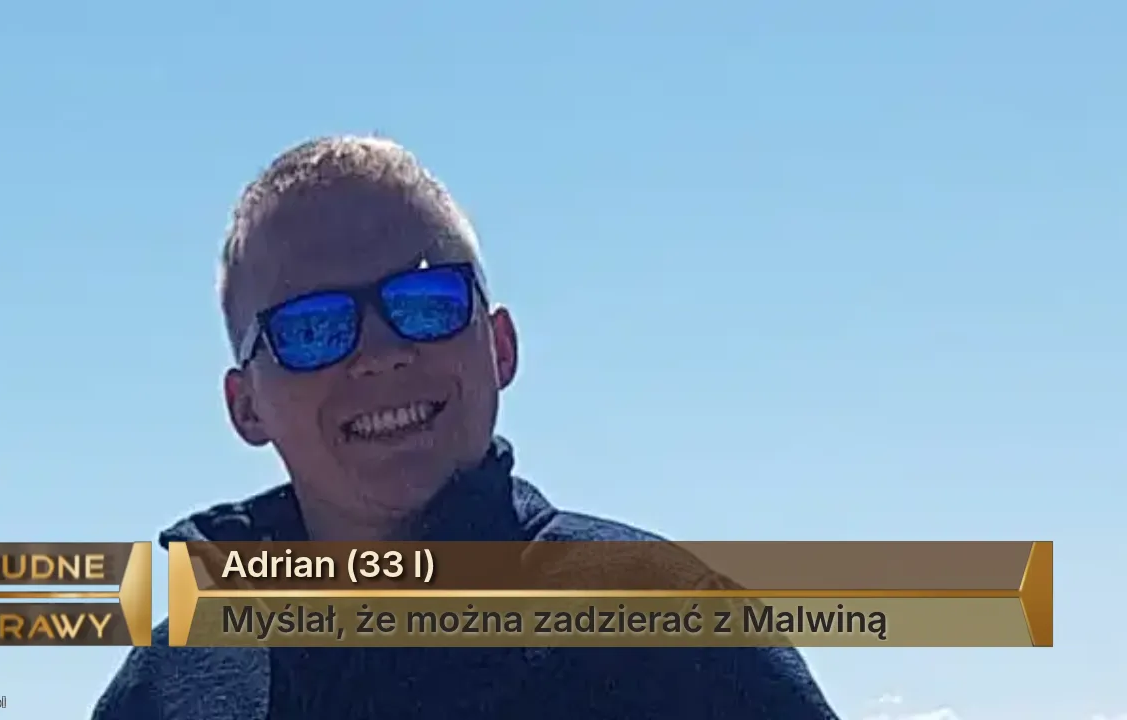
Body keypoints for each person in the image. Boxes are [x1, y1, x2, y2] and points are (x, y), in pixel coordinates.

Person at [91, 136, 839, 719]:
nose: (381, 352)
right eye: (312, 329)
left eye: (426, 302)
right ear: (245, 406)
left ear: (500, 346)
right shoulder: (172, 684)